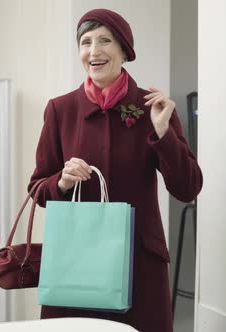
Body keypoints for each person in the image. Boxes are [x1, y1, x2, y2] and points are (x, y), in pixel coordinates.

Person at [27, 8, 203, 332]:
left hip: (140, 265)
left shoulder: (154, 107)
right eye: (85, 42)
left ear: (123, 50)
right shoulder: (60, 109)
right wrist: (62, 182)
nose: (94, 51)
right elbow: (38, 188)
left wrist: (164, 134)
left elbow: (187, 187)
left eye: (104, 41)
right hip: (74, 263)